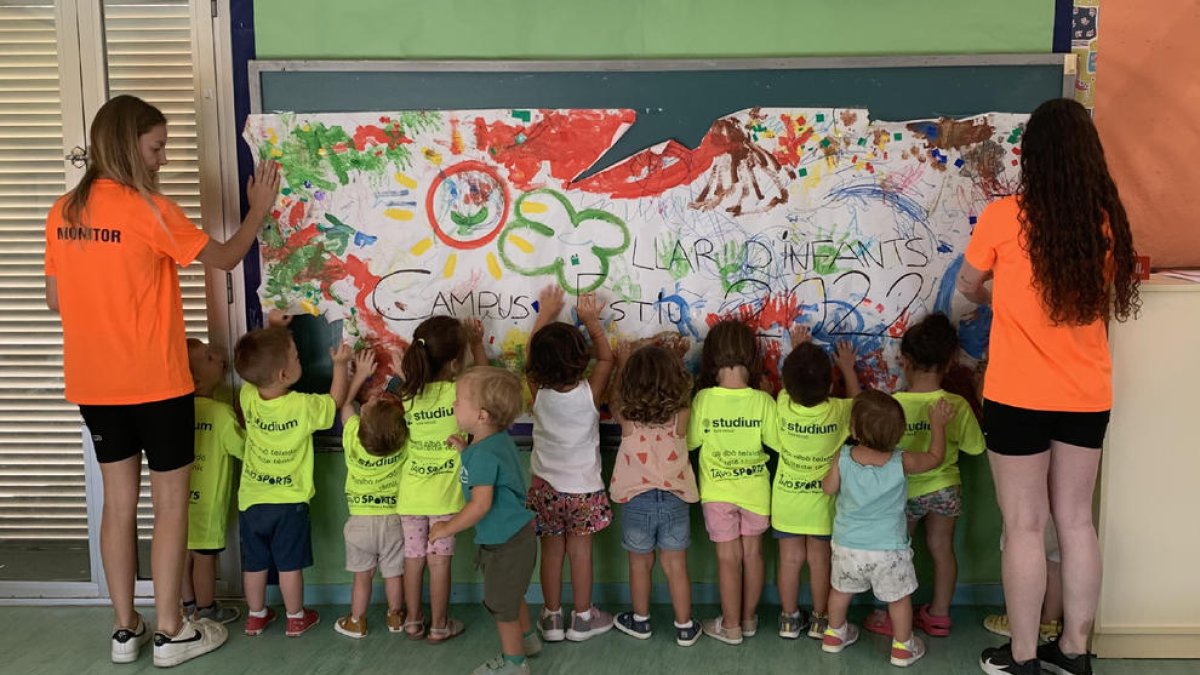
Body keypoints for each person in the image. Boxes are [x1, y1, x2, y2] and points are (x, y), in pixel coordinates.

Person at [43, 94, 278, 666]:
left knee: (118, 505)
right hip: (156, 383)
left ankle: (126, 631)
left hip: (94, 387)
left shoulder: (63, 212)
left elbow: (55, 301)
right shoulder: (148, 209)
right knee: (172, 506)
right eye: (156, 148)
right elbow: (224, 258)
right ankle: (173, 630)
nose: (163, 159)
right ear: (127, 145)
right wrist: (258, 212)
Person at [959, 98, 1140, 675]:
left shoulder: (1002, 218)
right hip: (1087, 395)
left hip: (1018, 395)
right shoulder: (1106, 223)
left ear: (1031, 155)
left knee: (1025, 526)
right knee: (1076, 523)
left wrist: (1000, 300)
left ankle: (1021, 658)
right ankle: (1075, 654)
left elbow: (967, 287)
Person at [863, 313, 985, 639]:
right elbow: (975, 448)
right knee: (942, 549)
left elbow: (883, 450)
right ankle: (939, 615)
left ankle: (890, 615)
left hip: (903, 492)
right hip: (946, 489)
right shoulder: (955, 404)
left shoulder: (894, 405)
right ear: (949, 362)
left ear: (904, 361)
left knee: (898, 553)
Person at [233, 315, 351, 638]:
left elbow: (260, 364)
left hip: (253, 500)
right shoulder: (302, 406)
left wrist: (274, 329)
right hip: (289, 501)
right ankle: (296, 617)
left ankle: (256, 616)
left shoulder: (249, 396)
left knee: (254, 564)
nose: (301, 359)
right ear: (285, 374)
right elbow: (335, 402)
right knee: (289, 566)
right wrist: (340, 365)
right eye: (297, 357)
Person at [819, 390, 953, 668]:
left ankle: (833, 635)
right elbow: (935, 458)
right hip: (889, 550)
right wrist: (938, 426)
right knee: (899, 599)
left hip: (847, 547)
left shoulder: (843, 457)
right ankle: (903, 648)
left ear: (853, 428)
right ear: (898, 434)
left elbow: (828, 488)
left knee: (840, 591)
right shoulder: (900, 461)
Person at [430, 367, 542, 674]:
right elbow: (490, 470)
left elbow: (480, 506)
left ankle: (515, 664)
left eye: (458, 401)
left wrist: (445, 528)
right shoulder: (494, 441)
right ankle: (528, 640)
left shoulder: (483, 455)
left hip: (506, 544)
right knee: (512, 594)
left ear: (481, 415)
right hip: (516, 537)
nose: (453, 405)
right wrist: (465, 450)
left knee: (502, 608)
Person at [525, 287, 617, 642]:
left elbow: (532, 359)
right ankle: (581, 619)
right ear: (582, 360)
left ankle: (550, 619)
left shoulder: (539, 393)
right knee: (580, 554)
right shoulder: (589, 394)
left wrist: (545, 313)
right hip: (584, 492)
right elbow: (607, 360)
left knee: (550, 554)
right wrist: (592, 322)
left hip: (545, 490)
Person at [765, 326, 859, 641]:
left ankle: (789, 619)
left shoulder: (781, 402)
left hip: (787, 502)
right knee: (820, 561)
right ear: (831, 383)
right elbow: (860, 405)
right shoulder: (838, 411)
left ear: (788, 388)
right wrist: (848, 368)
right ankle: (820, 619)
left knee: (790, 560)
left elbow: (791, 385)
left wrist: (797, 348)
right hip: (823, 504)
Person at [394, 315, 484, 642]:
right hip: (445, 496)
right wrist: (477, 343)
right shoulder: (460, 390)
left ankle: (413, 622)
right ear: (455, 363)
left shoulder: (407, 392)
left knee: (414, 558)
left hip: (411, 494)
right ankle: (439, 625)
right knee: (440, 562)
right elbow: (485, 377)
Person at [688, 319, 776, 645]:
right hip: (756, 491)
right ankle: (749, 619)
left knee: (728, 558)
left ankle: (731, 626)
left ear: (710, 356)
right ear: (752, 357)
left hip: (717, 492)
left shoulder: (703, 401)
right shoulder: (763, 401)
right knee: (753, 555)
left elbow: (690, 444)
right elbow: (778, 444)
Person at [608, 341, 701, 646]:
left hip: (638, 502)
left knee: (640, 563)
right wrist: (676, 360)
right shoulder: (681, 417)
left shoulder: (627, 418)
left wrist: (622, 363)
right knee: (676, 566)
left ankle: (640, 621)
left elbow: (614, 398)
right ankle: (685, 626)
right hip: (674, 501)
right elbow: (683, 391)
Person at [333, 349, 408, 639]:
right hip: (392, 522)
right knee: (393, 574)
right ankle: (395, 617)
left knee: (361, 578)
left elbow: (346, 406)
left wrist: (360, 377)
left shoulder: (353, 438)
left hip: (360, 524)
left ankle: (357, 620)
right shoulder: (402, 445)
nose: (374, 397)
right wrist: (402, 378)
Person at [180, 339, 244, 626]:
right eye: (209, 358)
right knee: (205, 557)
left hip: (179, 501)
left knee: (181, 553)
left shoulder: (175, 414)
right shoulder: (220, 413)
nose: (219, 358)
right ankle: (206, 610)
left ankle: (187, 606)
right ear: (194, 378)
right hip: (209, 504)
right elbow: (242, 448)